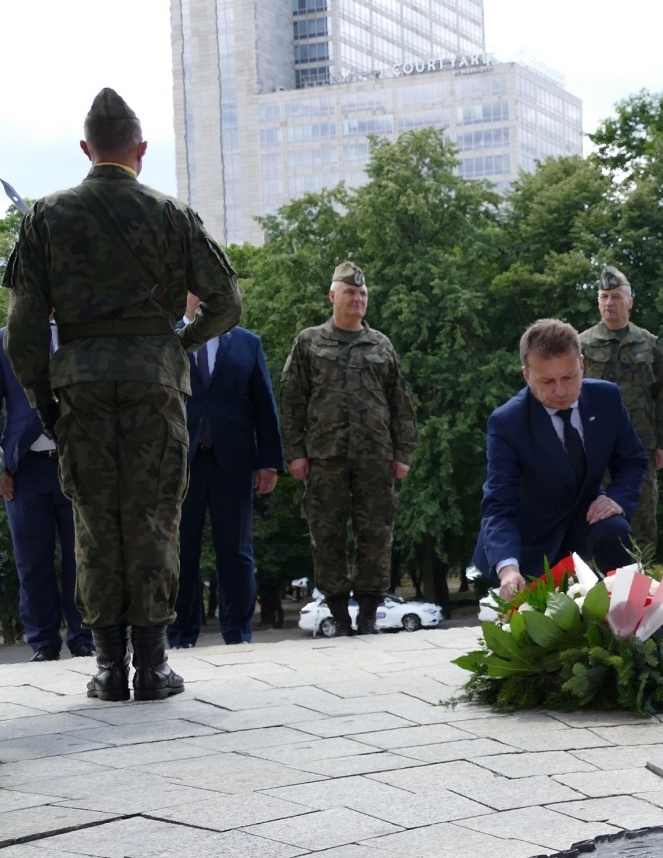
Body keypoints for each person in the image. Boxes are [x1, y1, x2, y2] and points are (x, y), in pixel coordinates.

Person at [3, 88, 241, 701]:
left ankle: (109, 669)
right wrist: (178, 346)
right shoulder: (172, 215)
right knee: (154, 517)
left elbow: (24, 333)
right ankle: (155, 667)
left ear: (87, 149)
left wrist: (45, 399)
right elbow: (228, 303)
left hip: (79, 384)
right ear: (140, 150)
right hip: (154, 385)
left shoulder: (47, 218)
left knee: (94, 521)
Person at [280, 262, 417, 635]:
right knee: (327, 534)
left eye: (362, 294)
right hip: (325, 456)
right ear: (332, 296)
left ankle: (369, 614)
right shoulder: (309, 341)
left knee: (377, 534)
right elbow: (292, 400)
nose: (357, 299)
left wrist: (403, 453)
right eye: (350, 293)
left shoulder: (381, 344)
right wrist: (295, 451)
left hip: (376, 455)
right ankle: (340, 616)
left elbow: (400, 402)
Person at [474, 319, 646, 598]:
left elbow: (632, 459)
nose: (561, 391)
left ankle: (635, 616)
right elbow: (499, 505)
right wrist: (508, 569)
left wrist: (617, 498)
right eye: (547, 381)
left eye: (569, 377)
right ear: (527, 376)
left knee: (616, 530)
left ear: (582, 363)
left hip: (585, 517)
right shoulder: (507, 423)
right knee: (541, 630)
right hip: (529, 537)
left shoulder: (607, 399)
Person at [170, 294, 282, 648]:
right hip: (177, 465)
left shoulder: (247, 343)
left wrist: (268, 462)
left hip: (233, 463)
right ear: (183, 296)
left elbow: (264, 405)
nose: (202, 297)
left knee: (236, 552)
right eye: (195, 290)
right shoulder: (165, 340)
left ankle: (238, 634)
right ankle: (180, 636)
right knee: (179, 553)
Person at [0, 327, 92, 661]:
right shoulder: (5, 340)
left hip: (78, 462)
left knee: (81, 556)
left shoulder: (80, 334)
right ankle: (43, 641)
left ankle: (83, 635)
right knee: (31, 559)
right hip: (24, 468)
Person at [578, 267, 663, 552]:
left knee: (642, 524)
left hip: (639, 449)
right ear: (598, 301)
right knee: (590, 521)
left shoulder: (650, 343)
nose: (610, 302)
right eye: (604, 296)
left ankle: (642, 590)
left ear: (630, 301)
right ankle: (592, 591)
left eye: (617, 296)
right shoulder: (581, 345)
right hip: (592, 450)